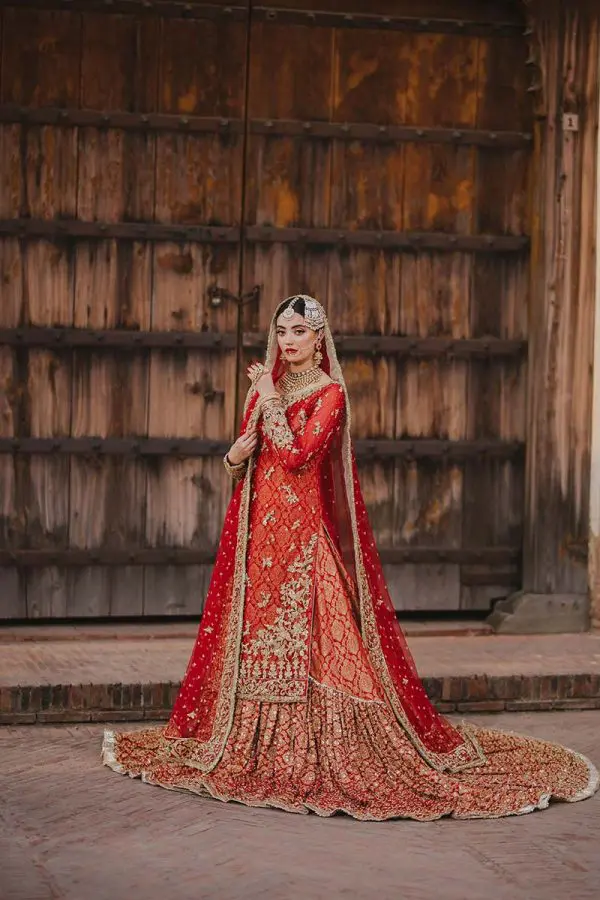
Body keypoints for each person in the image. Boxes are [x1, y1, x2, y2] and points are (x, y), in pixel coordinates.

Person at [102, 295, 599, 820]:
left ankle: (315, 748)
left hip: (303, 538)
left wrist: (268, 398)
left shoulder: (330, 394)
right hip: (259, 537)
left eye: (299, 331)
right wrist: (233, 455)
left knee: (324, 641)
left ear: (319, 338)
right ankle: (248, 741)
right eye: (282, 332)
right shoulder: (268, 387)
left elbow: (297, 457)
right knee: (256, 636)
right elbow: (252, 460)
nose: (288, 341)